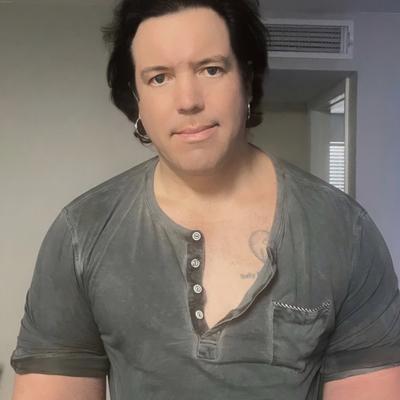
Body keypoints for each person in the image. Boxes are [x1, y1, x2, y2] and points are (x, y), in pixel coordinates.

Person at [10, 0, 400, 399]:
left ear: (247, 79)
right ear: (136, 97)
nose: (188, 100)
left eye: (211, 69)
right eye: (159, 78)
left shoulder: (344, 231)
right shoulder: (81, 232)